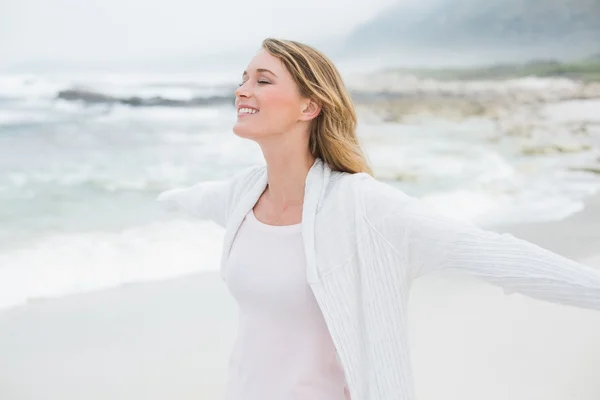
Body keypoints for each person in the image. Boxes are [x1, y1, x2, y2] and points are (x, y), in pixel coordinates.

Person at [157, 38, 600, 400]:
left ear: (309, 107)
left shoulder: (365, 208)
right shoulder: (242, 195)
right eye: (243, 79)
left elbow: (494, 254)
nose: (243, 90)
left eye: (263, 80)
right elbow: (194, 199)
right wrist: (164, 198)